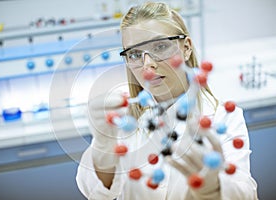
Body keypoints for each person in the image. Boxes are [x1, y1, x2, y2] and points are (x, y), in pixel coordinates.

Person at [76, 2, 258, 199]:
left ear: (186, 48)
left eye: (160, 46)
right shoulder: (123, 118)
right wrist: (103, 145)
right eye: (135, 54)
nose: (148, 65)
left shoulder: (223, 117)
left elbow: (246, 193)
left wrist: (213, 190)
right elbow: (96, 192)